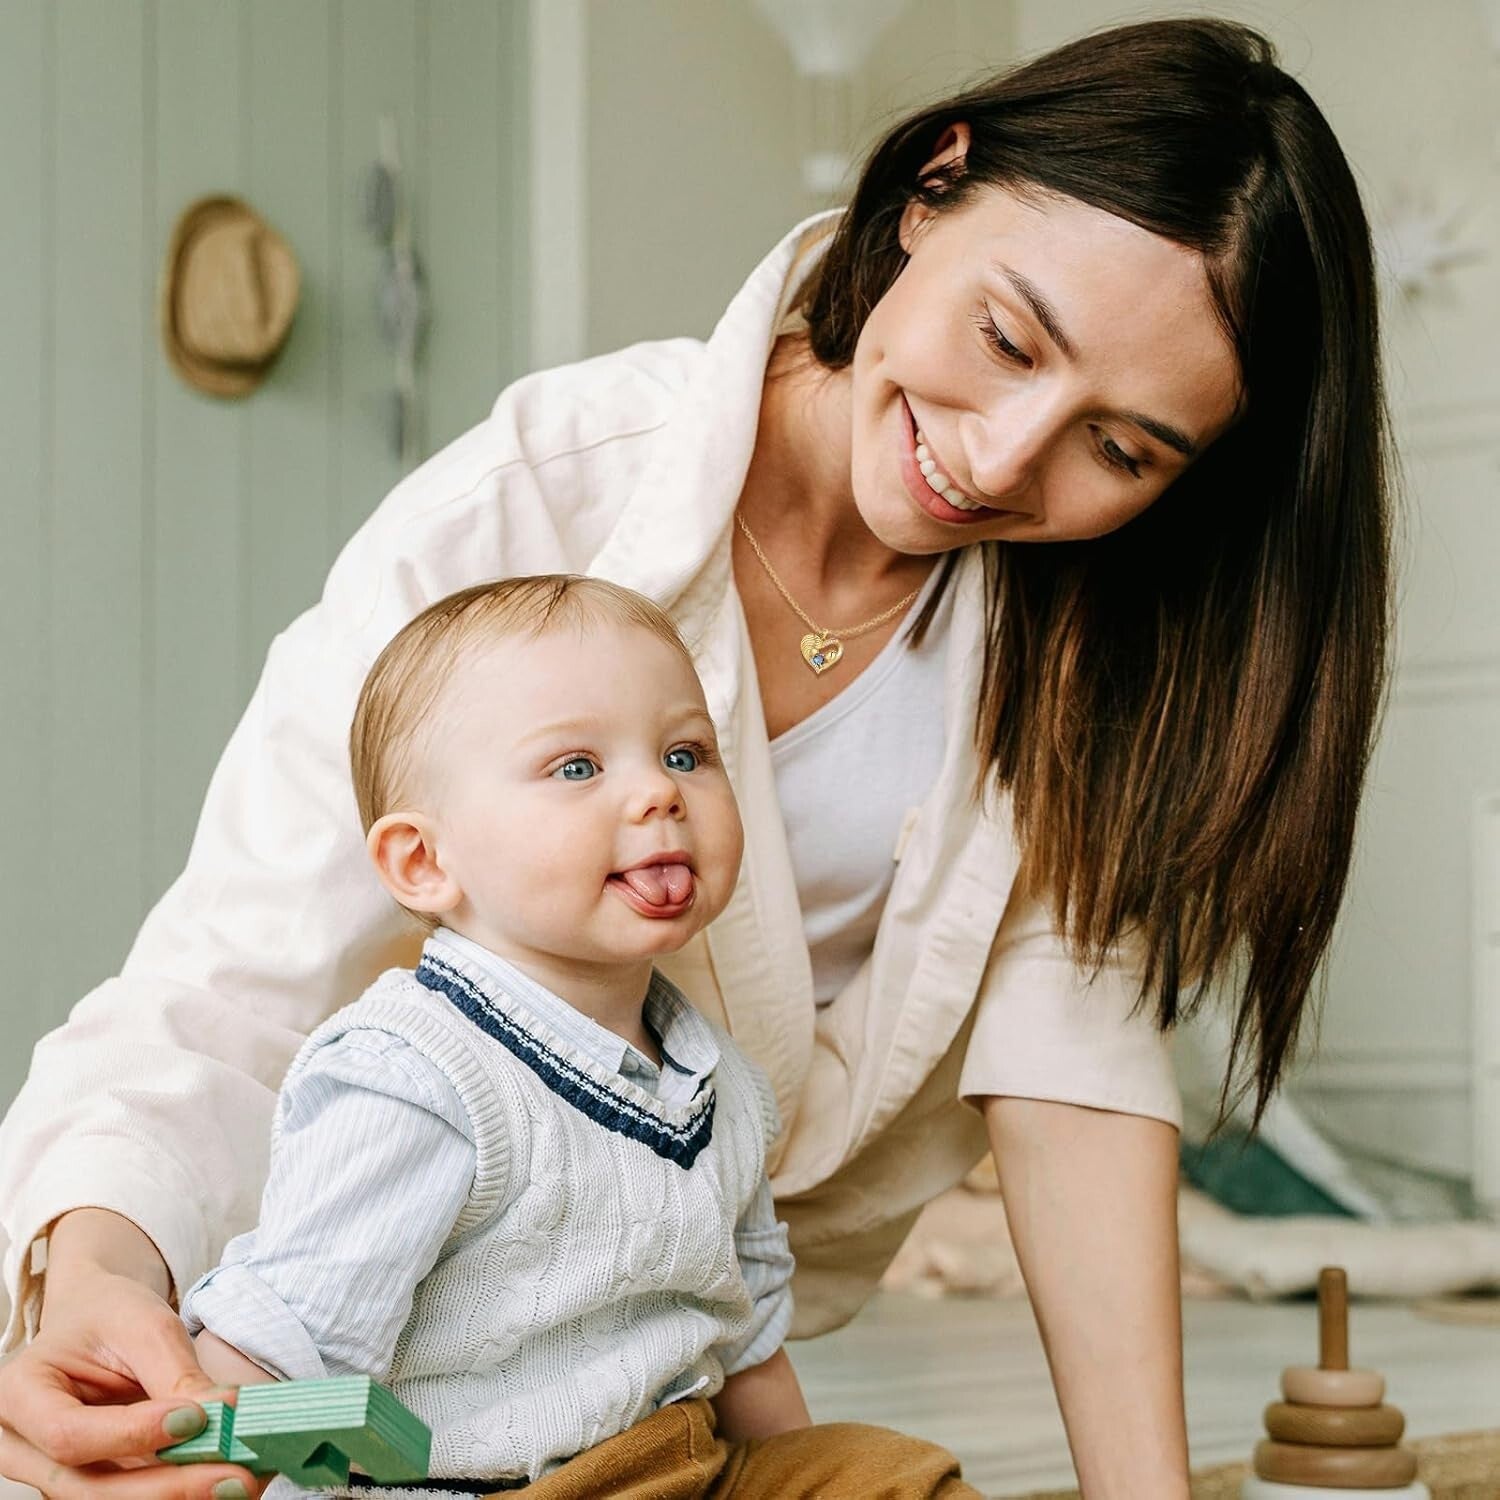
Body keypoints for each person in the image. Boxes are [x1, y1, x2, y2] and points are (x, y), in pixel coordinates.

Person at [0, 18, 1392, 1500]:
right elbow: (233, 980)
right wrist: (91, 1270)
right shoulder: (535, 502)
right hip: (354, 1375)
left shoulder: (1098, 646)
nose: (999, 464)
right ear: (933, 185)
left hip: (663, 1388)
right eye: (1006, 339)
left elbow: (1072, 1074)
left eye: (1120, 448)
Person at [180, 573, 981, 1499]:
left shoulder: (723, 1085)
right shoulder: (416, 1078)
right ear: (426, 862)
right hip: (485, 1484)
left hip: (682, 1461)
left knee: (894, 1477)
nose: (659, 795)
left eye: (686, 754)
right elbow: (278, 1345)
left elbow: (748, 1335)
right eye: (577, 768)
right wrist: (207, 1457)